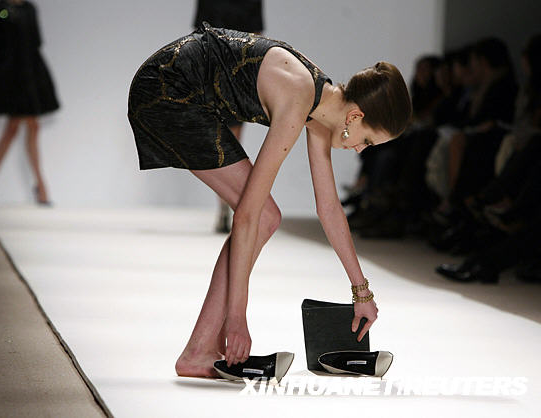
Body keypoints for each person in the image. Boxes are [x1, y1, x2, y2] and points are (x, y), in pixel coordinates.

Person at [127, 23, 412, 377]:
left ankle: (199, 350)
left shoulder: (321, 108)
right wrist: (237, 319)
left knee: (266, 216)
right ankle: (199, 350)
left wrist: (361, 292)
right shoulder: (299, 99)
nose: (358, 150)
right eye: (366, 141)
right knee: (262, 216)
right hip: (168, 88)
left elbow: (329, 209)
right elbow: (246, 216)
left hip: (186, 90)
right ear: (355, 116)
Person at [193, 0, 265, 233]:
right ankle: (229, 204)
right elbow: (256, 39)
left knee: (223, 145)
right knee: (230, 144)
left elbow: (199, 36)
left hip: (218, 73)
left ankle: (226, 205)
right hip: (235, 74)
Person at [0, 0, 59, 204]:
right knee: (19, 127)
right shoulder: (0, 10)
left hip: (31, 72)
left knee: (20, 128)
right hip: (11, 75)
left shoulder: (30, 8)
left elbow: (36, 43)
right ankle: (41, 187)